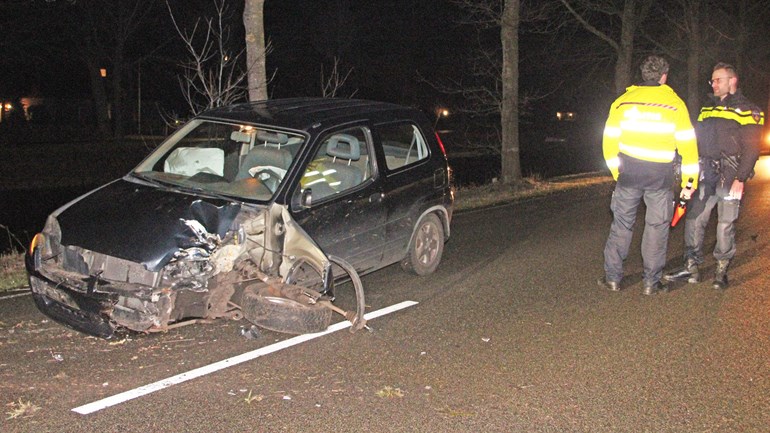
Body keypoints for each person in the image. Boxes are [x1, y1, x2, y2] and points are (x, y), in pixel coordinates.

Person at [598, 55, 700, 295]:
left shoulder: (623, 102)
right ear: (664, 76)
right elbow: (689, 149)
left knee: (621, 225)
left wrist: (617, 171)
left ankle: (613, 279)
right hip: (660, 179)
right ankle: (650, 283)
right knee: (656, 227)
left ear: (644, 75)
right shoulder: (675, 104)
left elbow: (609, 142)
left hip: (629, 175)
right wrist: (689, 183)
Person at [664, 62, 764, 290]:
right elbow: (695, 140)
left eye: (718, 80)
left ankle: (721, 269)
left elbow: (751, 148)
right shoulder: (706, 109)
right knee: (694, 218)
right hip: (706, 174)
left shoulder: (749, 110)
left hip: (731, 175)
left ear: (732, 81)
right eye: (712, 80)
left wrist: (741, 177)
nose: (714, 84)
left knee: (725, 223)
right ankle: (691, 266)